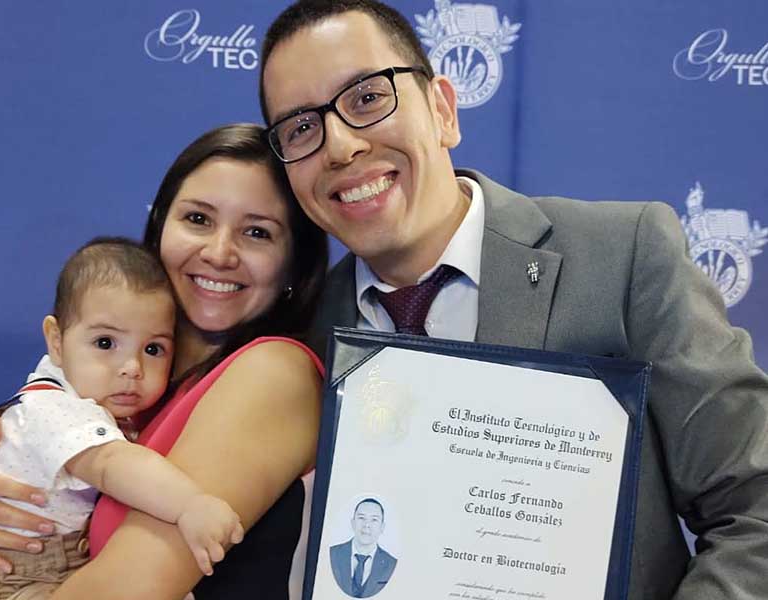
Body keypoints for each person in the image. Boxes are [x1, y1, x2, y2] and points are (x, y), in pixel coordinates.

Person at [257, 1, 768, 599]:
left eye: (367, 99)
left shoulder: (624, 257)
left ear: (443, 110)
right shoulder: (297, 344)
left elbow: (755, 509)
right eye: (301, 129)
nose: (340, 146)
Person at [0, 124, 329, 599]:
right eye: (197, 219)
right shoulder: (122, 384)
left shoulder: (273, 372)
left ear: (293, 266)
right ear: (159, 230)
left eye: (257, 232)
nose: (219, 252)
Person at [0, 237, 245, 599]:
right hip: (8, 581)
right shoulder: (52, 409)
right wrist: (190, 506)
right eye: (105, 343)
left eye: (153, 349)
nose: (132, 368)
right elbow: (110, 463)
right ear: (56, 341)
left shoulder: (98, 398)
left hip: (55, 567)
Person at [329, 498, 397, 598]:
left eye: (374, 520)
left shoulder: (391, 564)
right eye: (361, 518)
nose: (367, 525)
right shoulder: (333, 554)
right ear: (353, 523)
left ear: (382, 527)